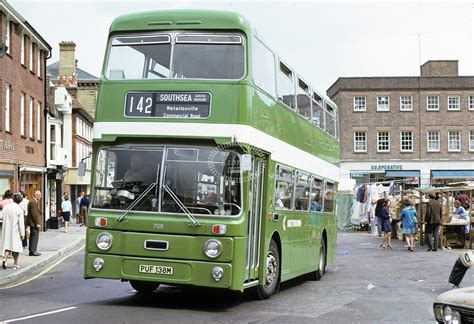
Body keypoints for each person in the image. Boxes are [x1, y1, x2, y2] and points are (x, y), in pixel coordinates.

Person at [1, 193, 25, 269]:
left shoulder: (6, 207)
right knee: (16, 248)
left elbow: (1, 216)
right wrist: (22, 234)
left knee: (7, 246)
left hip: (6, 230)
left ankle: (4, 259)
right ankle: (15, 264)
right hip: (15, 231)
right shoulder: (19, 209)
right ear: (20, 201)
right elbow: (21, 223)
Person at [27, 190, 42, 256]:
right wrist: (37, 223)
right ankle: (33, 251)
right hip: (34, 223)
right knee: (34, 237)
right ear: (36, 195)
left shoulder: (33, 201)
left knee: (32, 237)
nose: (40, 197)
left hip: (32, 223)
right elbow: (34, 214)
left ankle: (32, 250)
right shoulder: (33, 202)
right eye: (39, 195)